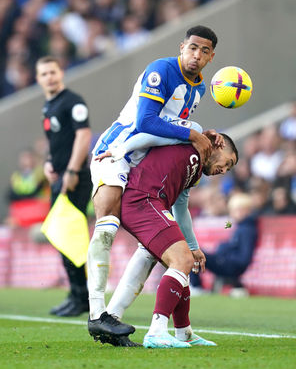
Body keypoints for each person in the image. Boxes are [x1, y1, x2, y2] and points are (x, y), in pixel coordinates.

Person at [87, 25, 219, 339]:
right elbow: (146, 120)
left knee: (151, 248)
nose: (196, 55)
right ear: (182, 46)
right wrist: (193, 133)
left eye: (204, 51)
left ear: (211, 57)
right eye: (192, 48)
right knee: (107, 224)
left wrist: (197, 130)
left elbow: (170, 129)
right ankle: (96, 312)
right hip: (116, 151)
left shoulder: (198, 90)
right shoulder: (162, 70)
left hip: (142, 166)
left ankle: (111, 318)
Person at [105, 133, 238, 348]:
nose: (224, 170)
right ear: (218, 144)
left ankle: (182, 332)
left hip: (151, 203)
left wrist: (194, 247)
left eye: (229, 169)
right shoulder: (190, 138)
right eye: (227, 163)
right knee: (181, 260)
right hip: (142, 199)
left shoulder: (194, 173)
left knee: (172, 260)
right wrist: (122, 149)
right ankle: (156, 331)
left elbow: (181, 208)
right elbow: (150, 132)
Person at [36, 56, 92, 317]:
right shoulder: (49, 106)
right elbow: (57, 141)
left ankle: (83, 298)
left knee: (70, 237)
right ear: (38, 79)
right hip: (60, 176)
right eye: (44, 73)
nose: (50, 77)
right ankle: (76, 294)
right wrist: (50, 161)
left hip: (75, 178)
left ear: (61, 73)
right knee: (62, 237)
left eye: (53, 72)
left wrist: (71, 170)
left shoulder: (73, 101)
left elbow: (83, 135)